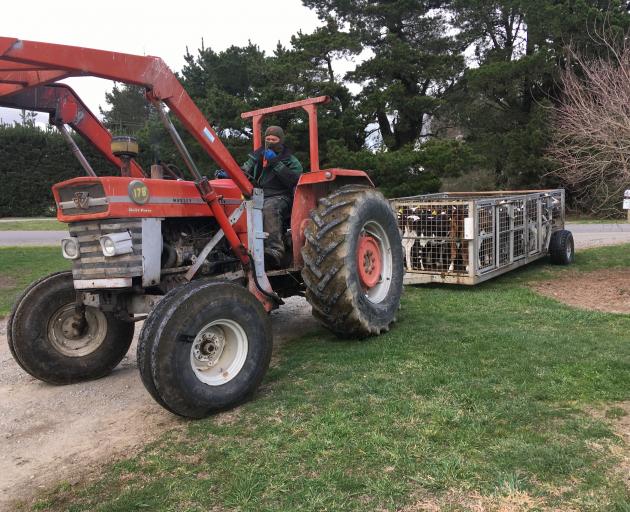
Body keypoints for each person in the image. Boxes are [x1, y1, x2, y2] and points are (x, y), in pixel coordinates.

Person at [240, 126, 303, 269]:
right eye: (267, 139)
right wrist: (232, 174)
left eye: (274, 139)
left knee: (269, 208)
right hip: (259, 195)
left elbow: (294, 180)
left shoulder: (290, 160)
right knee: (240, 208)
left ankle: (275, 251)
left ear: (280, 140)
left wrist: (275, 162)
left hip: (281, 196)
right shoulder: (258, 156)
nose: (270, 142)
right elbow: (245, 169)